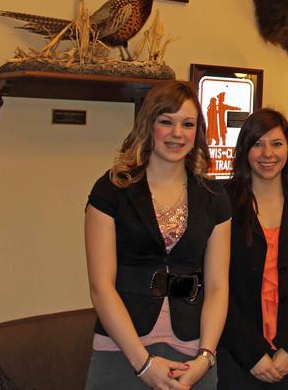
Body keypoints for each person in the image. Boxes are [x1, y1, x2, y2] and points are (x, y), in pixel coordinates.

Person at [84, 81, 231, 390]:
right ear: (149, 126)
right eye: (166, 121)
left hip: (192, 356)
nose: (177, 133)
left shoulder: (215, 196)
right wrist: (144, 364)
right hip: (123, 350)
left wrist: (206, 357)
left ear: (197, 133)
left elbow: (218, 286)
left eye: (187, 124)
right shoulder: (112, 189)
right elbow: (100, 287)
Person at [218, 108, 288, 388]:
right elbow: (215, 285)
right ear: (245, 150)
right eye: (258, 144)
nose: (268, 153)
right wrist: (252, 353)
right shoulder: (222, 203)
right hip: (238, 353)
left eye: (277, 144)